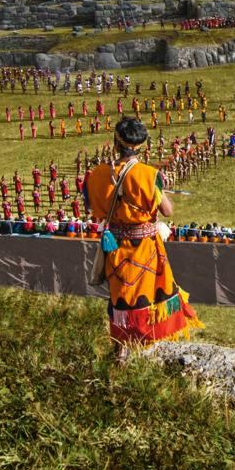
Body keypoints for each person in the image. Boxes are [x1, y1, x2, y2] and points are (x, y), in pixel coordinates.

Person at [84, 117, 201, 362]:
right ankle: (147, 339)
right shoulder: (149, 175)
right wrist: (158, 192)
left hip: (114, 246)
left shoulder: (97, 175)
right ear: (142, 145)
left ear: (115, 144)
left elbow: (93, 207)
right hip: (144, 248)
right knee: (149, 294)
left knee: (119, 296)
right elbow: (167, 211)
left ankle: (121, 348)